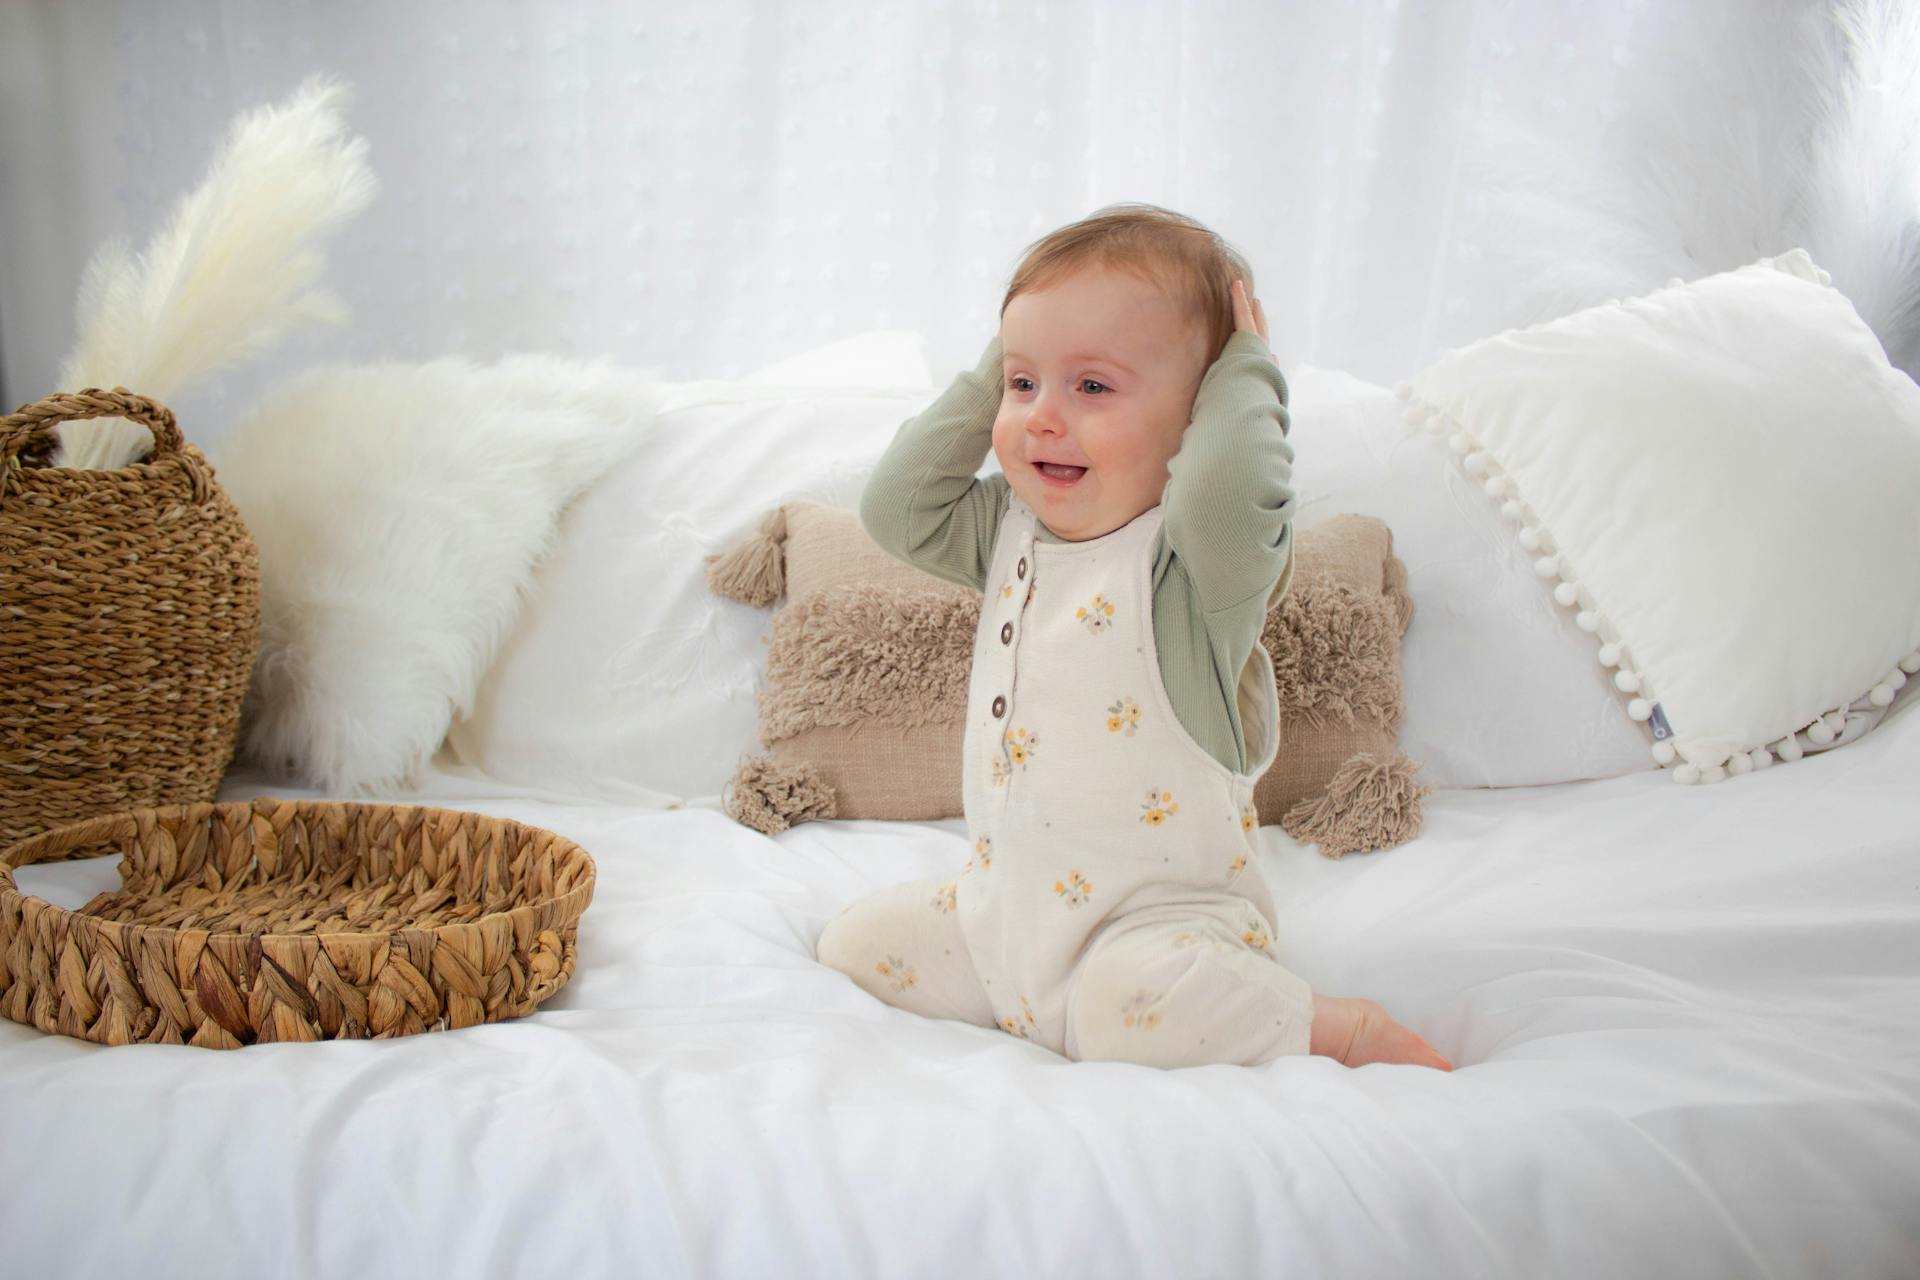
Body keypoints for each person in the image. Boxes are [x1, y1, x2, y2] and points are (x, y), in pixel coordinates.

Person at [817, 204, 1450, 1070]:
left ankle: (1334, 1027)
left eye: (1092, 387)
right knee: (855, 944)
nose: (1043, 417)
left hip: (1154, 932)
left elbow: (1229, 492)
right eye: (1023, 385)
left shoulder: (1197, 573)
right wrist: (1007, 361)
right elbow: (895, 505)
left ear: (1199, 416)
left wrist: (1245, 370)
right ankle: (1035, 998)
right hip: (1008, 920)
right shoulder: (1008, 532)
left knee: (1132, 1011)